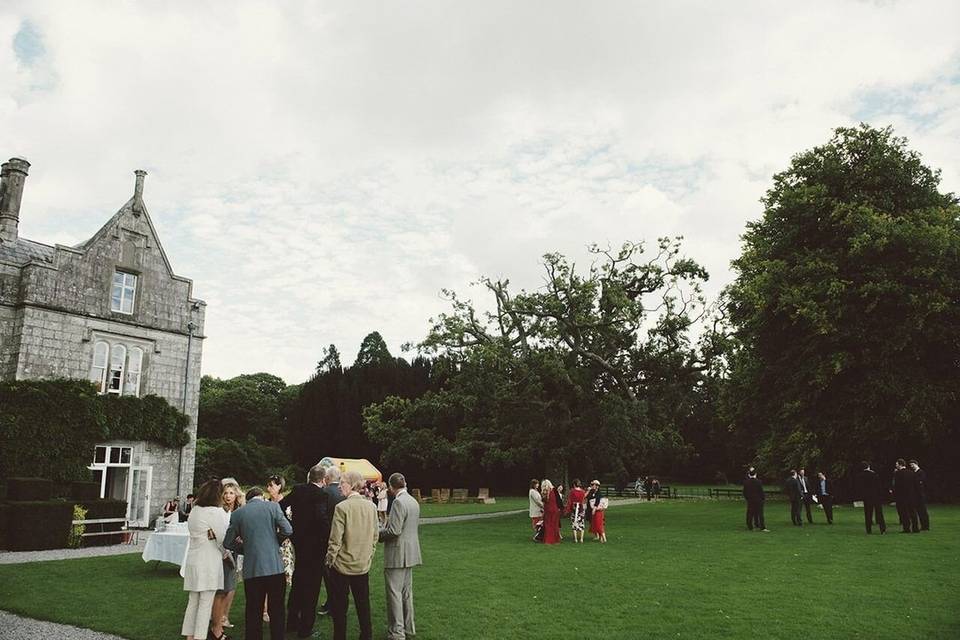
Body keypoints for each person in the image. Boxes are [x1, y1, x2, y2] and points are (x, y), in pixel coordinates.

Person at [223, 486, 293, 640]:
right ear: (262, 496)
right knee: (277, 609)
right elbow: (288, 530)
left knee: (253, 610)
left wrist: (244, 548)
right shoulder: (273, 507)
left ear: (247, 499)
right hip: (275, 567)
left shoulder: (238, 514)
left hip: (253, 569)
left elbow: (228, 542)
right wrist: (276, 542)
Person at [326, 470, 379, 640]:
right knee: (363, 605)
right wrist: (369, 555)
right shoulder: (371, 506)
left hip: (341, 566)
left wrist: (330, 560)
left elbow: (335, 539)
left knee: (340, 607)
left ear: (352, 485)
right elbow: (375, 536)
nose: (340, 486)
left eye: (342, 483)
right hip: (362, 565)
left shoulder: (342, 507)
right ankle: (366, 636)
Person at [279, 464, 328, 638]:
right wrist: (326, 538)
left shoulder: (298, 490)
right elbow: (321, 518)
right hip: (315, 545)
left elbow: (280, 505)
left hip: (299, 541)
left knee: (299, 581)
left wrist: (291, 527)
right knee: (312, 586)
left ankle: (291, 621)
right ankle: (306, 628)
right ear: (323, 479)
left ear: (309, 477)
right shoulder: (321, 494)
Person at [180, 480, 227, 640]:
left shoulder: (195, 510)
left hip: (194, 559)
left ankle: (190, 636)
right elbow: (223, 538)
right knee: (205, 603)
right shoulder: (216, 512)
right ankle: (199, 637)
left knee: (193, 601)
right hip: (208, 560)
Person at [380, 472, 422, 640]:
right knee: (406, 593)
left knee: (394, 594)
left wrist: (378, 534)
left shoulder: (398, 502)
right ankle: (408, 627)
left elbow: (394, 531)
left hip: (397, 553)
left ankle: (397, 632)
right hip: (410, 553)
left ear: (391, 487)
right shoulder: (413, 500)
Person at [211, 479, 244, 634]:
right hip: (223, 552)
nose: (228, 496)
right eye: (226, 493)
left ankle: (224, 616)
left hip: (236, 551)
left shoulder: (238, 511)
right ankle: (217, 620)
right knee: (223, 588)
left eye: (231, 493)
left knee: (231, 586)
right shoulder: (221, 511)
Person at [316, 466, 346, 617]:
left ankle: (332, 603)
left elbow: (321, 517)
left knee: (328, 574)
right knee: (338, 572)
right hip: (343, 538)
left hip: (327, 538)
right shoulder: (343, 492)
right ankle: (335, 601)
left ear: (327, 478)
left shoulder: (324, 492)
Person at [264, 474, 293, 622]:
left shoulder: (286, 503)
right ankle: (266, 609)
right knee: (268, 575)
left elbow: (290, 524)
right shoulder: (266, 503)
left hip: (284, 543)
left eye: (272, 485)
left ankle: (277, 607)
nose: (269, 488)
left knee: (282, 577)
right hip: (269, 543)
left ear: (279, 486)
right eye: (268, 485)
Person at [854, 461, 886, 534]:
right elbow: (879, 486)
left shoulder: (859, 476)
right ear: (868, 466)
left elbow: (859, 488)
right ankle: (882, 529)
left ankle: (868, 530)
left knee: (868, 513)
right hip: (876, 496)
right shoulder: (874, 474)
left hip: (867, 497)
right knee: (879, 513)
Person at [893, 459, 920, 533]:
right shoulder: (911, 473)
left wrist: (895, 495)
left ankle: (906, 528)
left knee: (904, 513)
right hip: (911, 496)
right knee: (913, 512)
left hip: (902, 497)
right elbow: (916, 485)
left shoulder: (898, 474)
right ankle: (915, 528)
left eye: (897, 464)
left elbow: (897, 486)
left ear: (900, 464)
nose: (896, 465)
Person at [909, 460, 930, 531]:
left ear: (916, 464)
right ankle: (923, 526)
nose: (911, 466)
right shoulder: (914, 473)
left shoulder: (921, 472)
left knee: (923, 511)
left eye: (912, 465)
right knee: (919, 511)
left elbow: (921, 482)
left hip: (920, 495)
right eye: (910, 465)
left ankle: (926, 526)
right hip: (916, 495)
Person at [540, 479, 562, 545]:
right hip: (555, 510)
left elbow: (543, 501)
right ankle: (555, 540)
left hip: (548, 510)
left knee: (548, 525)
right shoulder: (554, 490)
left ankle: (548, 540)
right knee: (555, 525)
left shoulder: (545, 491)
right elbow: (559, 500)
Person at [566, 479, 587, 543]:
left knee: (574, 522)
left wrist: (568, 509)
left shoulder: (572, 491)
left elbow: (570, 501)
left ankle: (575, 539)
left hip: (574, 508)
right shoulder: (583, 491)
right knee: (581, 523)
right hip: (581, 508)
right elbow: (583, 500)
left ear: (574, 484)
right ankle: (581, 539)